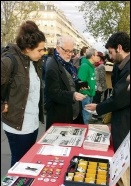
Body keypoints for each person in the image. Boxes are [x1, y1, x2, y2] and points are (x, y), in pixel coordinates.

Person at [85, 31, 130, 186]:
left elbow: (120, 97)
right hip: (122, 120)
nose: (109, 56)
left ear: (119, 48)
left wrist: (99, 108)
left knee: (126, 163)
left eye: (111, 52)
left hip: (126, 122)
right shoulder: (123, 65)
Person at [1, 20, 46, 167]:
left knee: (27, 162)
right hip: (17, 126)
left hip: (31, 124)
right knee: (19, 163)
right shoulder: (9, 61)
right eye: (40, 50)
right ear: (27, 48)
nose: (43, 53)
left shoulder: (34, 62)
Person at [45, 35, 86, 130]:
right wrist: (73, 95)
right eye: (66, 50)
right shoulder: (52, 65)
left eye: (71, 51)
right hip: (61, 115)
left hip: (73, 113)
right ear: (58, 48)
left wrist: (82, 85)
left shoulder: (68, 63)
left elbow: (72, 81)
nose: (69, 54)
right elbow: (53, 93)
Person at [78, 48, 99, 124]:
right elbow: (80, 81)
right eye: (97, 55)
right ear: (92, 56)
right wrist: (85, 92)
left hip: (90, 94)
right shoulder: (85, 66)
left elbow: (90, 79)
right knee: (85, 116)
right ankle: (84, 129)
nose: (98, 57)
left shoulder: (91, 66)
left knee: (87, 115)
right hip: (86, 95)